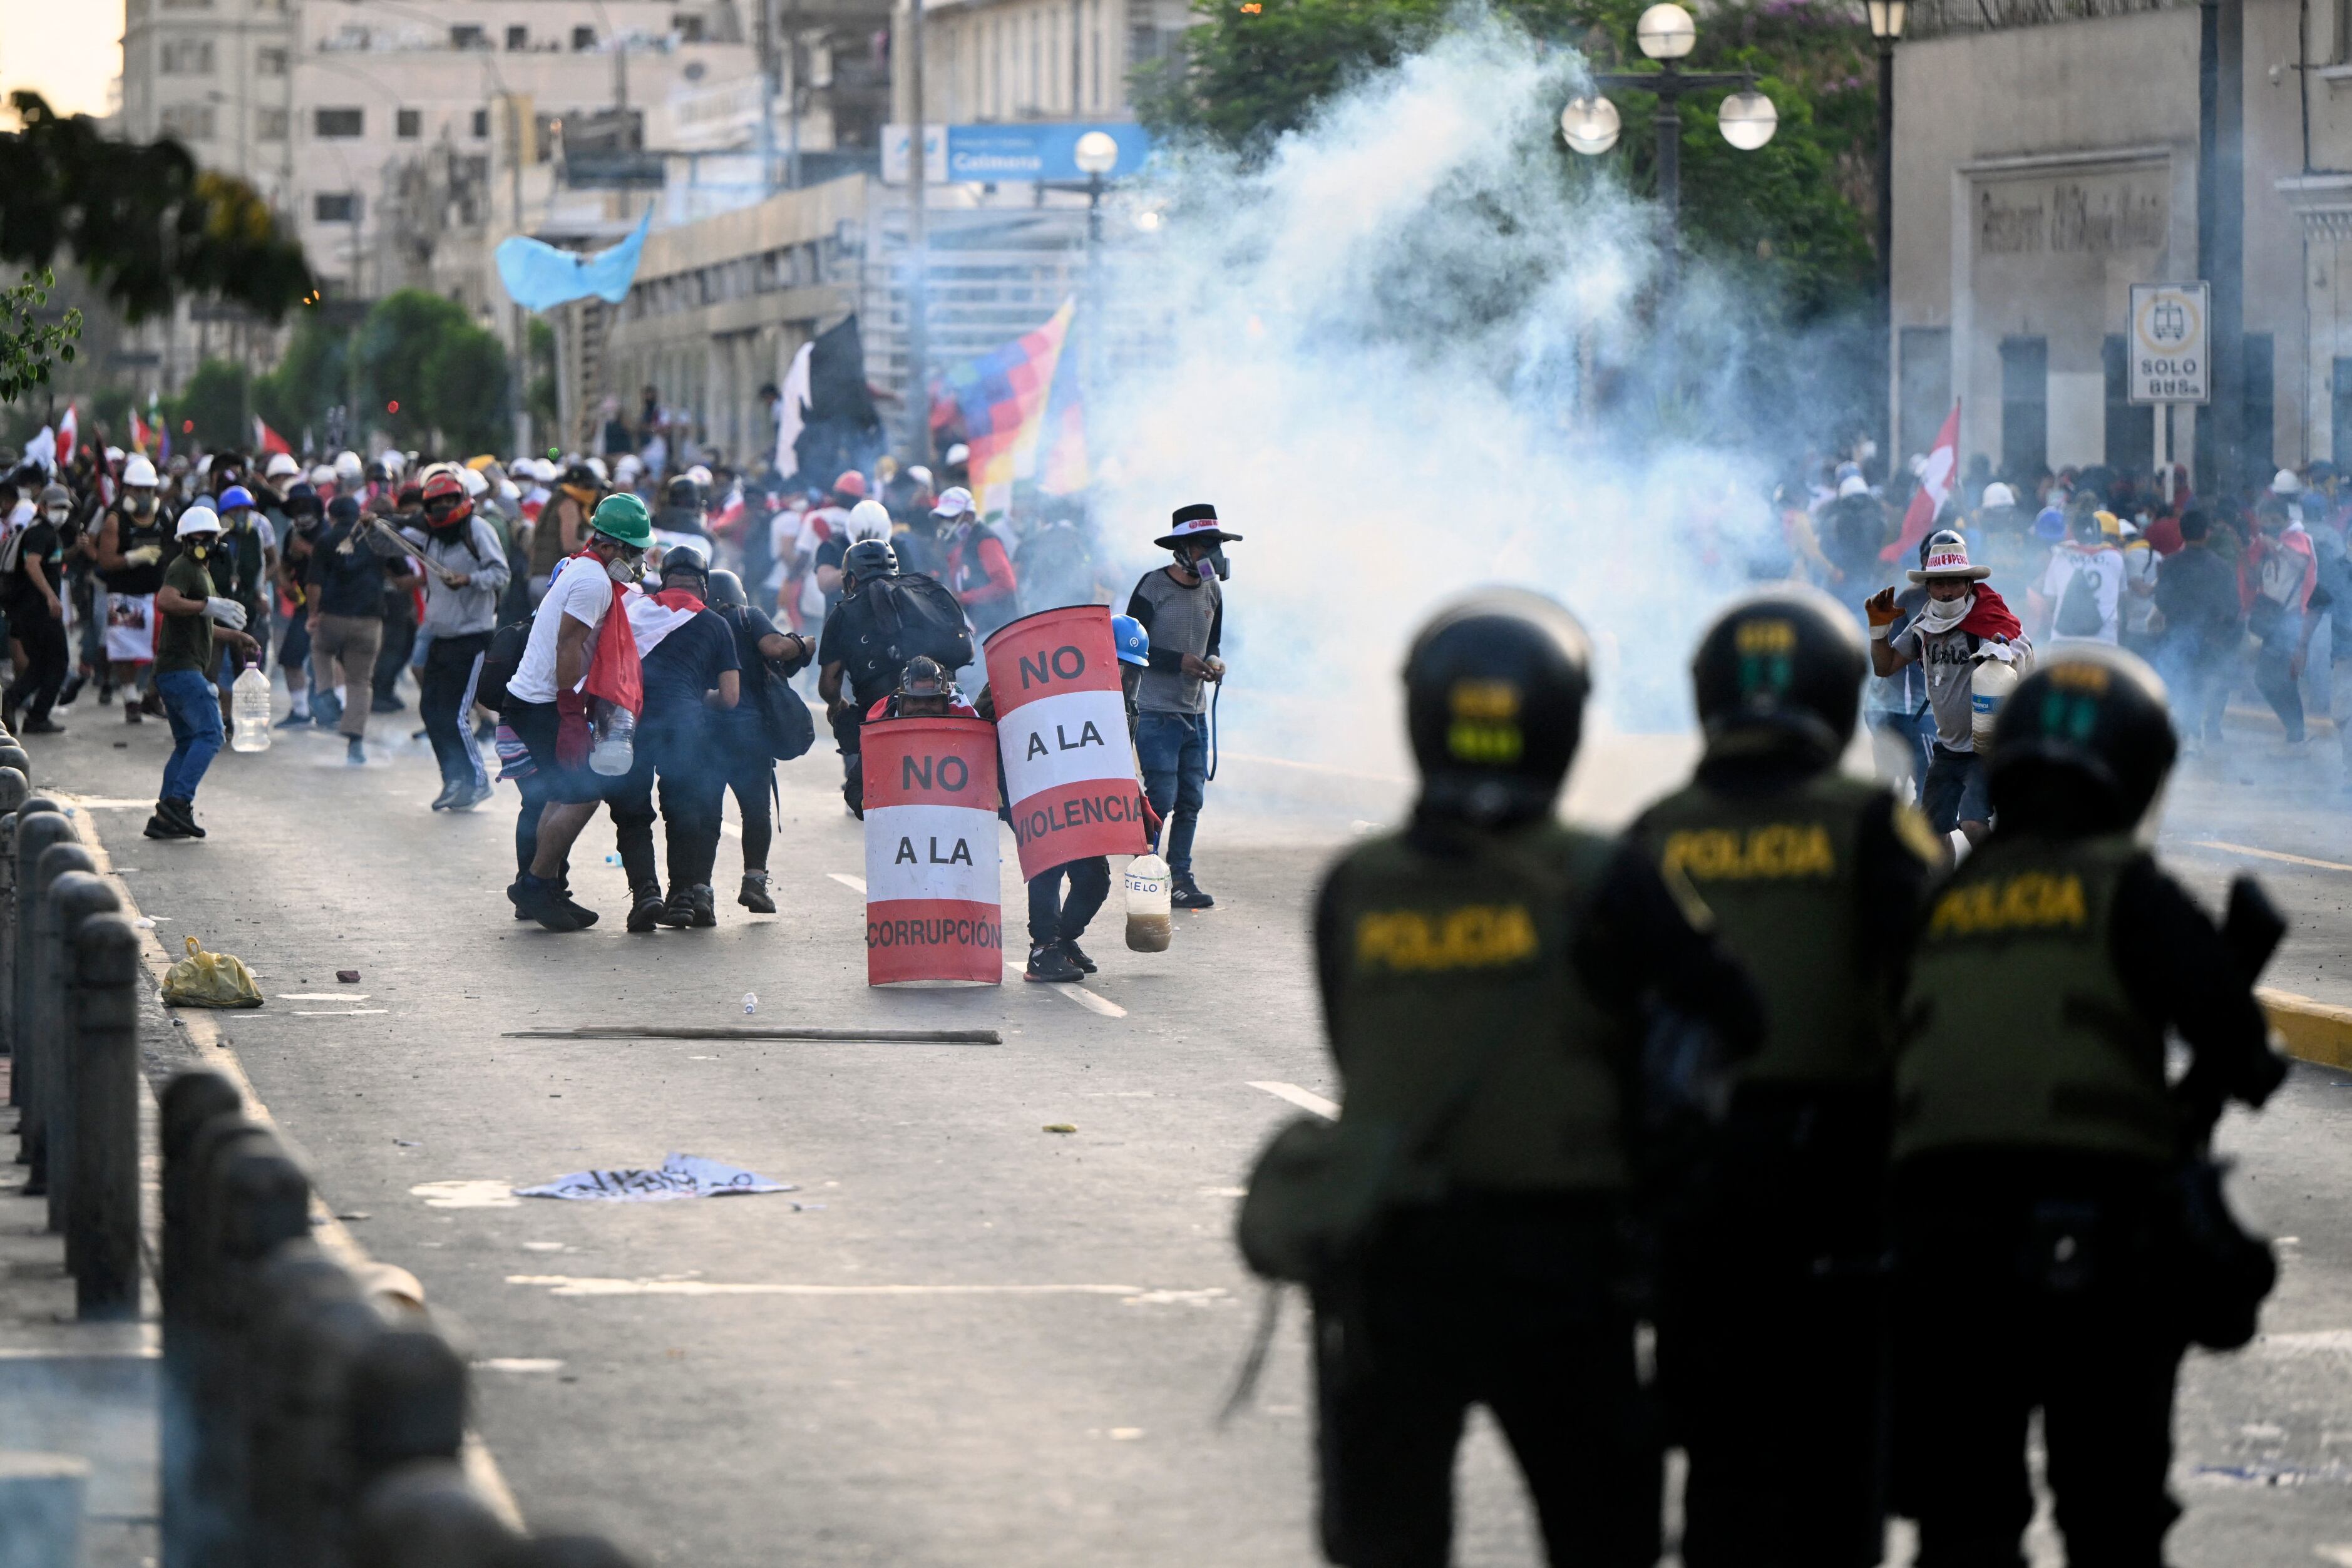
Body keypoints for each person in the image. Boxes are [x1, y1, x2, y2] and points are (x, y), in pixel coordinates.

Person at [1302, 588, 1761, 1568]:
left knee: (1386, 1539)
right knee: (1602, 1531)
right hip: (1564, 1263)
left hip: (1393, 1261)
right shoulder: (1606, 873)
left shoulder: (1355, 886)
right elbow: (1733, 1019)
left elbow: (1358, 1046)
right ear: (1559, 726)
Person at [1889, 645, 2287, 1565]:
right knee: (2111, 1513)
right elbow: (2238, 1045)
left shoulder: (1942, 904)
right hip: (2096, 1233)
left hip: (1937, 1239)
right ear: (2139, 771)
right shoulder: (2123, 885)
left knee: (1964, 1518)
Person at [1630, 588, 1938, 1568]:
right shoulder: (1871, 823)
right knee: (1842, 1464)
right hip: (1844, 1181)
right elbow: (1936, 994)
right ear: (1839, 696)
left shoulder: (1656, 829)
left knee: (1721, 1460)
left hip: (1697, 1188)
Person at [502, 493, 655, 931]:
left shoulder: (583, 568)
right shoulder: (592, 581)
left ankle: (545, 886)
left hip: (539, 698)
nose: (638, 560)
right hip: (545, 702)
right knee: (583, 793)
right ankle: (535, 884)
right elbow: (568, 645)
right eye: (633, 551)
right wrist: (571, 713)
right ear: (609, 546)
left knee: (560, 794)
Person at [1866, 531, 2030, 852]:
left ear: (1969, 584)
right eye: (1939, 583)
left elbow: (2021, 653)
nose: (1946, 592)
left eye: (1954, 582)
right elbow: (1885, 666)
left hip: (1983, 750)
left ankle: (1996, 880)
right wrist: (1878, 632)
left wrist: (2004, 656)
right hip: (1947, 748)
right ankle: (1940, 886)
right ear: (1928, 587)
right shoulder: (1923, 626)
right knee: (1931, 831)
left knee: (1972, 823)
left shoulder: (1988, 623)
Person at [1015, 615, 1158, 983]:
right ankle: (1043, 950)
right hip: (1045, 792)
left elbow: (1117, 760)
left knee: (1094, 880)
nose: (1128, 682)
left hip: (1085, 803)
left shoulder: (1127, 709)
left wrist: (1136, 801)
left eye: (1134, 675)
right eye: (1121, 671)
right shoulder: (1058, 695)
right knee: (1049, 867)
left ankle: (1063, 941)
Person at [611, 549, 741, 931]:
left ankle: (645, 894)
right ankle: (683, 898)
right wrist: (692, 697)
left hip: (630, 722)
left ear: (664, 580)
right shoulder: (715, 624)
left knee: (632, 812)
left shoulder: (634, 611)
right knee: (683, 810)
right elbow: (730, 698)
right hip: (684, 725)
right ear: (704, 584)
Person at [1127, 503, 1237, 910]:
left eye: (1216, 545)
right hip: (1156, 710)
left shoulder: (1213, 590)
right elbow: (1128, 647)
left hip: (1194, 711)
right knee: (1162, 798)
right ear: (1182, 549)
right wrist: (1177, 661)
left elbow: (1212, 644)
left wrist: (1211, 662)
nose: (1213, 554)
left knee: (1191, 798)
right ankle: (1147, 872)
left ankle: (1181, 875)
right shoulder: (1153, 586)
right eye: (1204, 545)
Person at [818, 538, 973, 816]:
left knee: (863, 796)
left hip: (884, 725)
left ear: (851, 578)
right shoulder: (928, 591)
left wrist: (837, 705)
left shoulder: (843, 613)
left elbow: (829, 684)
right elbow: (964, 648)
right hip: (943, 711)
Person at [145, 507, 261, 841]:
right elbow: (166, 602)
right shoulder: (184, 567)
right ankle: (179, 803)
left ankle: (165, 816)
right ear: (184, 541)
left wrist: (235, 636)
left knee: (186, 743)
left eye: (208, 539)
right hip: (181, 670)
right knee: (211, 734)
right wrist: (205, 606)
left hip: (175, 670)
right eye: (196, 539)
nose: (203, 544)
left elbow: (200, 623)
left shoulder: (200, 571)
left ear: (218, 542)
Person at [705, 566, 815, 912]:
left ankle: (698, 891)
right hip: (750, 735)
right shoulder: (747, 617)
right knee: (756, 812)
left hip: (707, 733)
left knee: (706, 815)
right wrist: (803, 643)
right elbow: (775, 647)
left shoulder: (699, 622)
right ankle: (754, 882)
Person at [402, 468, 511, 810]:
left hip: (472, 638)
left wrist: (467, 579)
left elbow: (501, 573)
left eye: (450, 500)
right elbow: (391, 542)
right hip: (441, 636)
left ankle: (476, 782)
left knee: (454, 714)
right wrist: (374, 522)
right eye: (437, 503)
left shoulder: (478, 530)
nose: (444, 507)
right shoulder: (430, 536)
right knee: (430, 710)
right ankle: (453, 779)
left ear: (462, 499)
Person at [306, 495, 396, 766]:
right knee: (359, 682)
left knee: (321, 649)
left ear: (331, 517)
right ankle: (355, 743)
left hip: (333, 617)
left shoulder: (325, 540)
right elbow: (401, 574)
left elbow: (313, 584)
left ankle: (325, 694)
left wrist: (312, 614)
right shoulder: (375, 539)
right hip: (369, 622)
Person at [96, 453, 170, 723]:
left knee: (164, 648)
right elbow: (105, 560)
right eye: (138, 490)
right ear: (127, 489)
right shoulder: (115, 519)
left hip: (155, 594)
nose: (143, 495)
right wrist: (132, 558)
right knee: (126, 649)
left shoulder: (163, 515)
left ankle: (152, 694)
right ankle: (130, 699)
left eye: (148, 490)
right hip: (125, 595)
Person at [2245, 494, 2317, 743]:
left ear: (2285, 519)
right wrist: (2255, 555)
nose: (2269, 525)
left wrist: (2275, 546)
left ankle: (2297, 732)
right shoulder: (2264, 542)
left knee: (2278, 678)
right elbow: (2258, 580)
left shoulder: (2298, 539)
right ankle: (2295, 731)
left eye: (2274, 520)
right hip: (2272, 619)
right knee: (2266, 678)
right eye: (2265, 521)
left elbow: (2301, 562)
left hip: (2292, 619)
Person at [3, 482, 72, 734]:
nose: (62, 512)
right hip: (39, 610)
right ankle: (38, 714)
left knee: (40, 664)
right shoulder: (41, 532)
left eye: (65, 507)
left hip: (27, 610)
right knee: (59, 662)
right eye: (57, 507)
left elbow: (49, 564)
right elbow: (33, 565)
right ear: (42, 507)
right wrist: (52, 597)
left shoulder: (40, 531)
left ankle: (12, 700)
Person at [2033, 507, 2125, 647]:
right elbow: (2123, 599)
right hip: (2104, 641)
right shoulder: (2116, 558)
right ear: (2098, 533)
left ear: (2074, 532)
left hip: (2064, 640)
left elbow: (2050, 601)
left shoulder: (2060, 555)